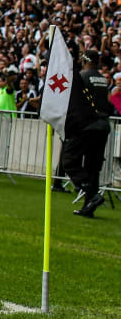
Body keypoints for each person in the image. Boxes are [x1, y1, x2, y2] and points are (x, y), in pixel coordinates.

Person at [64, 49, 111, 217]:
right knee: (93, 167)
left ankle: (91, 193)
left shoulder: (82, 76)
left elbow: (74, 100)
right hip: (103, 125)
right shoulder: (102, 79)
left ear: (84, 60)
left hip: (87, 125)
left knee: (68, 159)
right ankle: (89, 207)